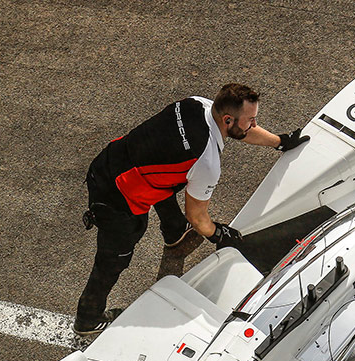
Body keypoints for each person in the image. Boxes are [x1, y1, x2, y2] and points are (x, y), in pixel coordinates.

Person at [73, 83, 310, 335]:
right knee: (112, 260)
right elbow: (197, 217)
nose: (253, 124)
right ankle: (88, 318)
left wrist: (280, 142)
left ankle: (175, 232)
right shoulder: (206, 162)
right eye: (250, 120)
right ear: (228, 119)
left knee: (171, 175)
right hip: (116, 198)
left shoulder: (196, 104)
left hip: (111, 160)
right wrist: (218, 234)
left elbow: (240, 131)